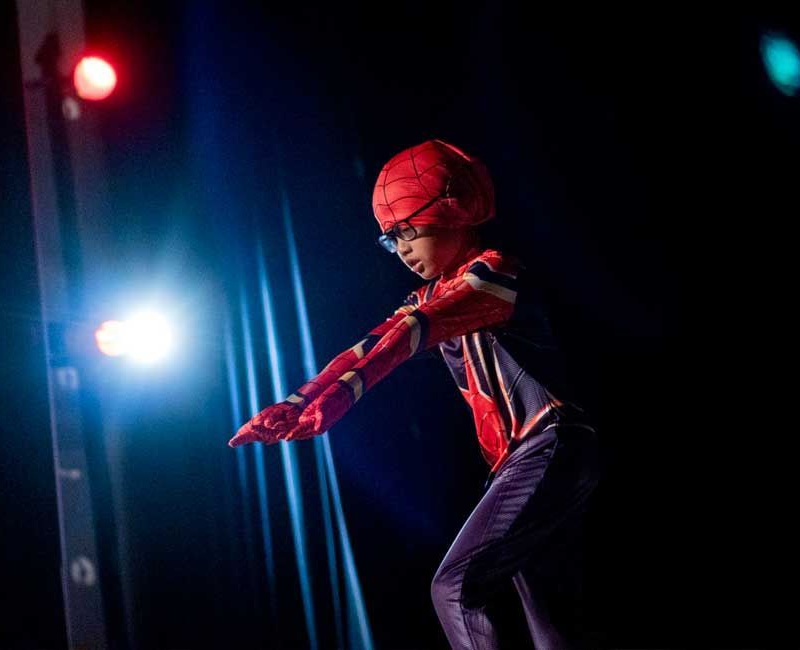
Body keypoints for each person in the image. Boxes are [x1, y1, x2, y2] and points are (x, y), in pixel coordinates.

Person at [229, 139, 602, 649]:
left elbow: (412, 334)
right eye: (392, 239)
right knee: (547, 610)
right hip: (532, 456)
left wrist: (336, 400)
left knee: (458, 586)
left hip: (549, 444)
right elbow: (372, 344)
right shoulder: (432, 293)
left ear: (451, 211)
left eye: (409, 230)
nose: (401, 248)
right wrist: (296, 402)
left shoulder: (495, 274)